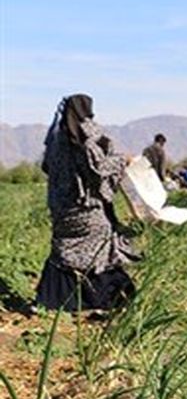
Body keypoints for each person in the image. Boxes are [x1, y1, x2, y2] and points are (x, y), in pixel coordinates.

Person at [35, 94, 139, 311]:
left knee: (64, 250)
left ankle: (55, 299)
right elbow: (98, 169)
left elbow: (46, 167)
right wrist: (124, 160)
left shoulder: (55, 140)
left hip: (62, 210)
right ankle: (109, 298)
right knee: (101, 246)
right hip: (87, 209)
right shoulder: (86, 135)